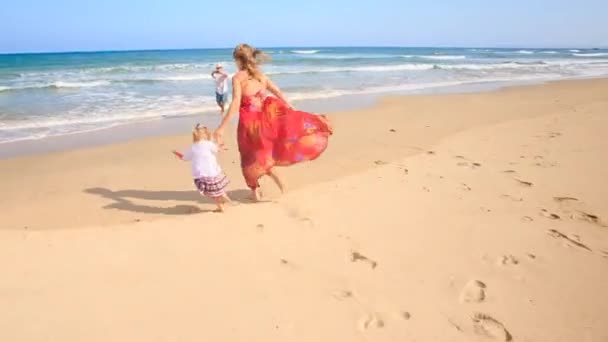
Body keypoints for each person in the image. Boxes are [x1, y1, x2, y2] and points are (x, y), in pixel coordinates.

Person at [214, 44, 333, 201]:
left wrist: (221, 127)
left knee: (249, 157)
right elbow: (277, 91)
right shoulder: (261, 76)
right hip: (265, 122)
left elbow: (236, 102)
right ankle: (273, 187)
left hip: (249, 125)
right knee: (263, 155)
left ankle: (256, 191)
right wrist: (292, 110)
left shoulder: (238, 78)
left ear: (238, 59)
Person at [173, 124, 231, 212]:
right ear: (207, 134)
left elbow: (184, 158)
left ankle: (221, 207)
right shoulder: (209, 144)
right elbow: (217, 150)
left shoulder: (193, 148)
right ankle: (223, 196)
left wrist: (176, 153)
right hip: (214, 172)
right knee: (219, 188)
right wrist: (221, 146)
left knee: (213, 194)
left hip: (202, 175)